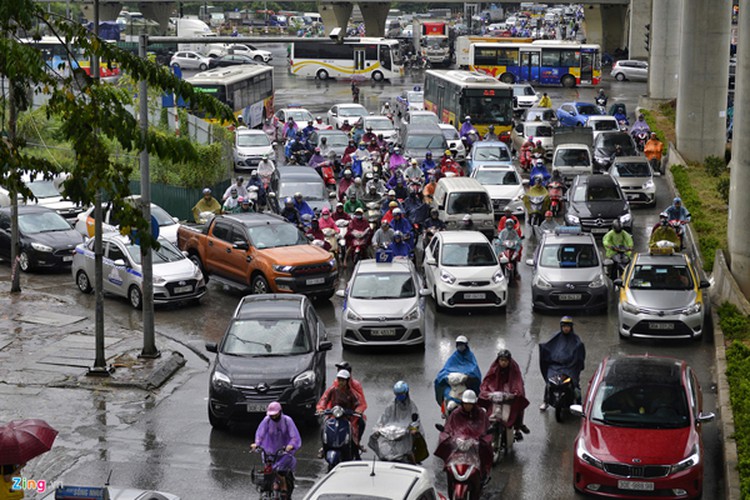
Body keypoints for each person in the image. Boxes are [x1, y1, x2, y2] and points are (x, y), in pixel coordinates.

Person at [434, 390, 493, 483]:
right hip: (458, 447)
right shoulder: (455, 414)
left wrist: (480, 439)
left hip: (475, 448)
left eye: (470, 404)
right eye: (466, 403)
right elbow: (449, 428)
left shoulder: (481, 414)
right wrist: (450, 437)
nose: (468, 406)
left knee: (485, 451)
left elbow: (485, 430)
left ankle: (484, 473)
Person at [371, 381, 428, 464]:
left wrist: (413, 429)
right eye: (398, 394)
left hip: (406, 432)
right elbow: (383, 419)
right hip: (391, 432)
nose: (399, 397)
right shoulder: (390, 406)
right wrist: (377, 429)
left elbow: (415, 420)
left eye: (401, 394)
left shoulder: (412, 407)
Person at [250, 402, 301, 494]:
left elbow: (294, 436)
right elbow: (260, 434)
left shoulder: (287, 421)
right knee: (268, 469)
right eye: (272, 415)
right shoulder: (267, 421)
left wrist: (291, 445)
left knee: (280, 470)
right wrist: (257, 443)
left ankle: (283, 485)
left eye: (275, 415)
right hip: (269, 450)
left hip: (283, 450)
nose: (273, 417)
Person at [479, 349, 530, 441]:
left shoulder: (514, 369)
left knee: (517, 408)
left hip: (509, 395)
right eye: (501, 360)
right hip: (496, 395)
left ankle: (518, 428)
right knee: (489, 412)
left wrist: (516, 392)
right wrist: (487, 392)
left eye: (505, 360)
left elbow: (517, 382)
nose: (503, 363)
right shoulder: (494, 369)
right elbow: (488, 380)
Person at [539, 316, 586, 410]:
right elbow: (548, 346)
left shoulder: (576, 340)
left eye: (568, 326)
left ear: (571, 327)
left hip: (570, 367)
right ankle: (546, 400)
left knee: (575, 384)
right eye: (564, 326)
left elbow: (580, 356)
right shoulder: (555, 337)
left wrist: (576, 365)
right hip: (555, 367)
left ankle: (579, 402)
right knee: (549, 383)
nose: (566, 328)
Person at [317, 369, 365, 451]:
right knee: (323, 426)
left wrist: (358, 411)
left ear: (347, 381)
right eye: (339, 380)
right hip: (334, 414)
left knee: (361, 423)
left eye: (343, 380)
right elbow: (324, 399)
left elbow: (359, 404)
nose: (341, 382)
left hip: (348, 416)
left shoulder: (351, 393)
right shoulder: (332, 390)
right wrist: (321, 408)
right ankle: (324, 447)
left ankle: (357, 444)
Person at [434, 336, 482, 413]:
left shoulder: (470, 357)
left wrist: (466, 377)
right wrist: (447, 377)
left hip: (466, 385)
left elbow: (474, 371)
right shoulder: (454, 357)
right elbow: (445, 370)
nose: (460, 346)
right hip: (453, 386)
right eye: (459, 344)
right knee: (447, 395)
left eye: (462, 344)